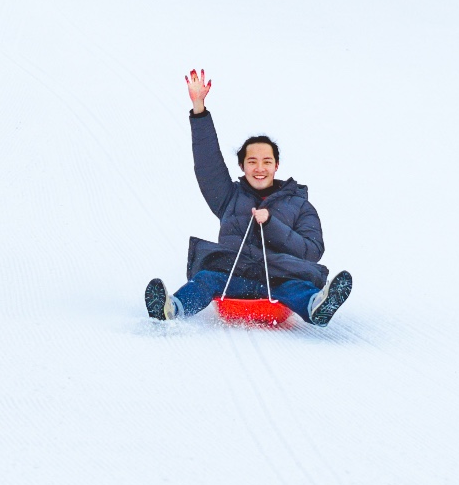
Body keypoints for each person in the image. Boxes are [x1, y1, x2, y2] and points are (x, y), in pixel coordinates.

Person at [145, 68, 353, 326]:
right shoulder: (229, 197)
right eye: (251, 161)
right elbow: (208, 165)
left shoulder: (300, 205)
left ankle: (316, 307)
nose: (259, 168)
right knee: (206, 280)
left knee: (297, 288)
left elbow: (312, 251)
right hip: (234, 277)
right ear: (242, 167)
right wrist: (199, 109)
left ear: (277, 166)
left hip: (279, 279)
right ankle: (171, 309)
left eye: (267, 161)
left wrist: (271, 224)